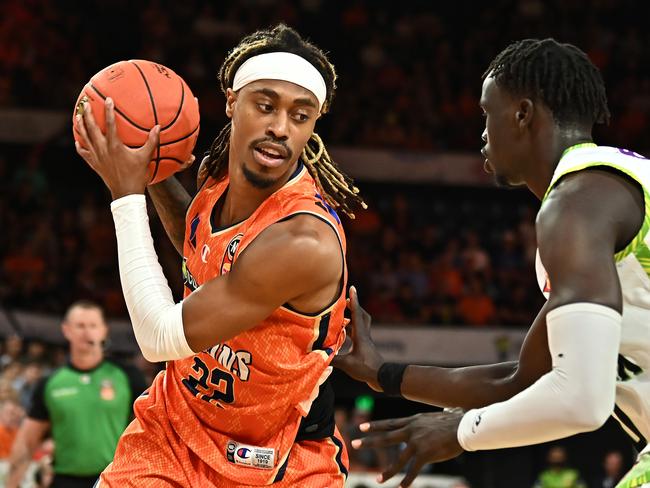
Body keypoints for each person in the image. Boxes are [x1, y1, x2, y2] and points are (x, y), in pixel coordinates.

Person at [335, 38, 650, 488]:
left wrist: (461, 432)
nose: (482, 132)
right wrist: (383, 375)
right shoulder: (607, 190)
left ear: (522, 114)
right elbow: (519, 379)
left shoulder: (576, 204)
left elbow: (582, 400)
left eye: (488, 112)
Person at [75, 24, 364, 487]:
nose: (280, 127)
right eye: (265, 105)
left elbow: (157, 338)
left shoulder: (302, 240)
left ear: (313, 125)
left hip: (279, 457)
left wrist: (126, 195)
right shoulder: (215, 175)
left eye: (300, 115)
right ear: (233, 102)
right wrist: (150, 169)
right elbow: (201, 249)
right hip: (174, 427)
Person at [5, 300, 147, 488]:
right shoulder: (51, 383)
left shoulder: (128, 376)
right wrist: (11, 484)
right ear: (66, 330)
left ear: (104, 330)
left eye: (93, 325)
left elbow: (150, 429)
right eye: (80, 326)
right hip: (65, 480)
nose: (87, 332)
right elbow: (26, 442)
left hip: (113, 479)